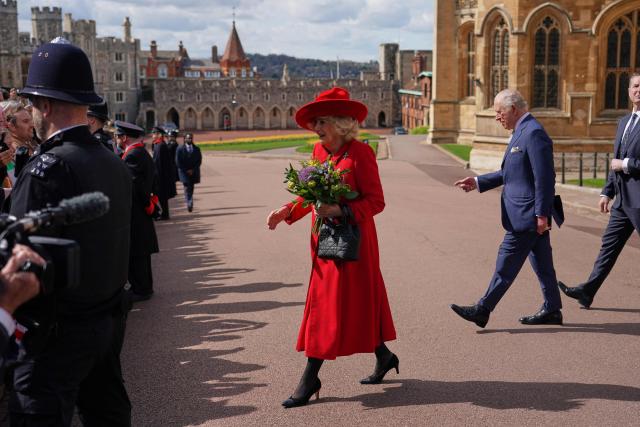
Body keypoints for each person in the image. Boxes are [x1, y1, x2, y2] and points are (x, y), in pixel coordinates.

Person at [9, 38, 133, 426]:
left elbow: (20, 262)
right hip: (107, 322)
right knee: (108, 413)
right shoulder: (111, 161)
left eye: (31, 103)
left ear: (44, 105)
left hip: (56, 334)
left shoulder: (48, 169)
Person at [267, 87, 397, 408]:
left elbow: (377, 202)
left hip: (355, 245)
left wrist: (340, 210)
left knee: (330, 307)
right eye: (315, 122)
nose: (316, 128)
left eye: (321, 121)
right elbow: (310, 195)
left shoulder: (361, 154)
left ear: (341, 123)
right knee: (350, 304)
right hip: (324, 241)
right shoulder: (319, 151)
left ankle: (310, 378)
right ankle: (384, 355)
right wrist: (287, 210)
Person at [451, 89, 563, 328]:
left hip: (528, 215)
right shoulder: (521, 131)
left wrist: (541, 214)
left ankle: (483, 309)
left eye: (499, 112)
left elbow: (545, 178)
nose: (496, 117)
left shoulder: (533, 133)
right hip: (528, 214)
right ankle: (552, 308)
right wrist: (478, 181)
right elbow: (509, 173)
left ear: (513, 109)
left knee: (506, 261)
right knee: (543, 265)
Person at [559, 74, 640, 308]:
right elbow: (615, 159)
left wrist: (626, 165)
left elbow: (620, 162)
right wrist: (607, 192)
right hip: (622, 202)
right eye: (635, 86)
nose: (638, 90)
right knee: (608, 247)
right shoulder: (624, 122)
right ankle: (588, 291)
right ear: (628, 90)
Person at [115, 121, 159, 302]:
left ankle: (141, 289)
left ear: (124, 138)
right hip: (142, 210)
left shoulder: (133, 155)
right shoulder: (139, 152)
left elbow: (134, 187)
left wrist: (146, 205)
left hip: (137, 212)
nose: (116, 139)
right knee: (141, 251)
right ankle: (144, 286)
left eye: (118, 136)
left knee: (137, 251)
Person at [0, 101, 38, 183]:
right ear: (11, 126)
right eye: (25, 121)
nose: (32, 125)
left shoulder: (31, 143)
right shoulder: (8, 156)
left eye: (31, 120)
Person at [151, 126, 174, 220]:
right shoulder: (157, 144)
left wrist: (157, 176)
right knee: (160, 195)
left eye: (154, 133)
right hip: (159, 174)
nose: (152, 135)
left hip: (161, 175)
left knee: (162, 195)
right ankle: (164, 213)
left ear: (159, 135)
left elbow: (159, 163)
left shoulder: (161, 146)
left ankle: (165, 214)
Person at [175, 132, 202, 212]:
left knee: (191, 187)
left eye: (190, 138)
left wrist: (192, 169)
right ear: (184, 139)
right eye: (187, 138)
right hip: (184, 172)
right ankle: (189, 202)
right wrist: (186, 170)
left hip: (193, 171)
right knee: (187, 187)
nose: (189, 139)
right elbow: (178, 161)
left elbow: (199, 161)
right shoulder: (180, 149)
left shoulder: (196, 149)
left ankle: (189, 200)